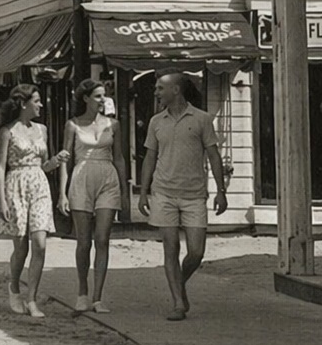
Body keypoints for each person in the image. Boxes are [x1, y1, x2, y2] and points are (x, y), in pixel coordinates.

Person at [137, 71, 227, 322]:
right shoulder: (156, 121)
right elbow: (150, 159)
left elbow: (213, 156)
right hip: (164, 192)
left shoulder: (202, 119)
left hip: (194, 194)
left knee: (196, 252)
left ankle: (179, 283)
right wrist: (143, 192)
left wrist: (221, 191)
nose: (155, 92)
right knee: (171, 248)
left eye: (159, 88)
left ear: (176, 90)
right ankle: (178, 302)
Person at [0, 84, 71, 318]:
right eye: (36, 101)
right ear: (23, 103)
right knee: (21, 246)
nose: (41, 105)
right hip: (15, 184)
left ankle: (32, 299)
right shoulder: (7, 131)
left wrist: (56, 161)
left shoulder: (42, 129)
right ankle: (15, 288)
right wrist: (2, 200)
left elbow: (44, 165)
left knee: (40, 243)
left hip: (38, 184)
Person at [63, 79, 127, 314]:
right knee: (83, 241)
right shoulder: (73, 125)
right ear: (85, 98)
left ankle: (98, 297)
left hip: (107, 178)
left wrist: (124, 188)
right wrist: (62, 192)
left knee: (102, 238)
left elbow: (119, 157)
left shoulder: (113, 125)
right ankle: (82, 292)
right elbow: (65, 160)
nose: (102, 100)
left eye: (104, 96)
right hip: (81, 177)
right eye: (98, 96)